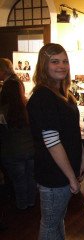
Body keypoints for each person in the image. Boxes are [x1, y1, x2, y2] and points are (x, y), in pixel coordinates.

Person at [27, 43, 84, 240]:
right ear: (44, 65)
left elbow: (72, 133)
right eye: (55, 61)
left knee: (58, 220)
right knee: (51, 223)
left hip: (64, 171)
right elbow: (52, 142)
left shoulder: (64, 95)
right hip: (54, 175)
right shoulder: (43, 97)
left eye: (65, 61)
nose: (61, 66)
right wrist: (71, 177)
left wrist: (82, 159)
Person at [0, 79, 36, 211]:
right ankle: (31, 203)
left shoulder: (2, 111)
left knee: (18, 181)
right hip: (31, 150)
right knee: (31, 178)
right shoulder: (29, 107)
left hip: (12, 152)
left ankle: (22, 206)